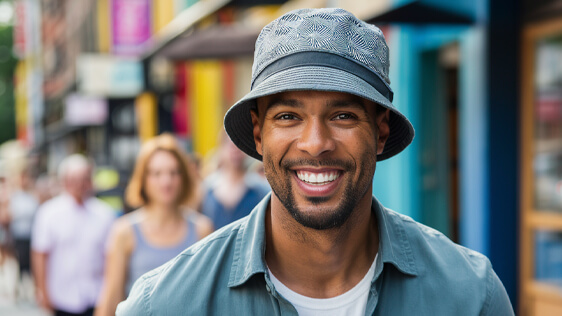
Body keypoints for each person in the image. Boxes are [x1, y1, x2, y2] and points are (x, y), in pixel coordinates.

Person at [117, 8, 514, 315]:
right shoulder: (166, 304)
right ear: (258, 135)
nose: (315, 144)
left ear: (379, 132)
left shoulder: (469, 296)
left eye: (342, 116)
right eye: (288, 117)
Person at [95, 134, 213, 316]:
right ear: (143, 178)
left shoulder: (202, 229)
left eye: (174, 172)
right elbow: (111, 299)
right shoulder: (124, 231)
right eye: (156, 173)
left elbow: (210, 297)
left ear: (184, 177)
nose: (166, 182)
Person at [31, 154, 114, 316]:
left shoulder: (104, 214)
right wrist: (42, 292)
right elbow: (40, 254)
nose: (79, 184)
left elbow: (110, 256)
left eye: (84, 179)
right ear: (65, 181)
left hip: (96, 296)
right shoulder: (48, 213)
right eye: (74, 179)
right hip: (61, 297)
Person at [201, 134, 270, 230]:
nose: (235, 150)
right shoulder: (206, 189)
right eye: (230, 145)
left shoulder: (261, 189)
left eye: (239, 145)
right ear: (221, 148)